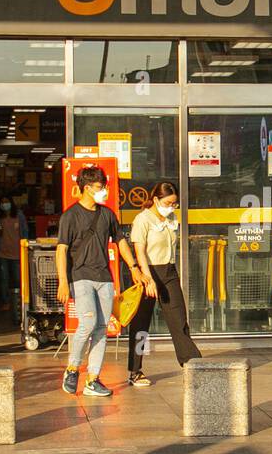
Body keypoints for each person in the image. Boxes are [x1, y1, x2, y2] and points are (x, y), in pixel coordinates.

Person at [56, 166, 144, 397]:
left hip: (104, 277)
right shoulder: (70, 216)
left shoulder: (107, 215)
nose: (103, 191)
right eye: (99, 187)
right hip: (80, 276)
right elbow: (61, 250)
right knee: (88, 323)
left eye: (104, 186)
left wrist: (133, 267)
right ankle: (73, 368)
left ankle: (93, 379)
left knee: (102, 329)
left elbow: (120, 241)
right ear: (87, 188)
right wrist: (63, 282)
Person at [125, 181, 201, 387]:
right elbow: (139, 251)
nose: (172, 207)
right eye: (168, 203)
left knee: (179, 319)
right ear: (156, 199)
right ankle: (135, 370)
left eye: (175, 204)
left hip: (169, 271)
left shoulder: (172, 218)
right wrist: (147, 279)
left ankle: (191, 362)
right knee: (141, 325)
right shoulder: (143, 219)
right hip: (149, 272)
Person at [0, 195, 24, 313]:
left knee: (17, 278)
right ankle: (6, 301)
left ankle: (19, 301)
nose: (4, 204)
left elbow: (25, 231)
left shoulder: (19, 215)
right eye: (2, 202)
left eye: (6, 201)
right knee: (4, 279)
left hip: (17, 252)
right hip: (3, 252)